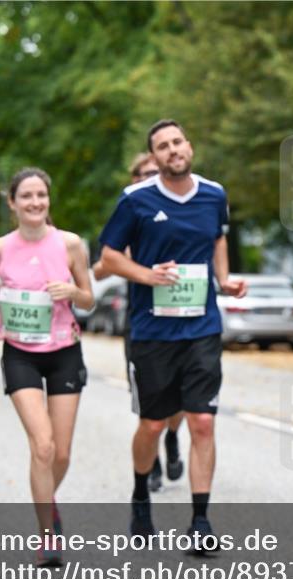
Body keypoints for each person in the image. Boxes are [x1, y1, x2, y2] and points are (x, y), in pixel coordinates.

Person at [98, 119, 246, 547]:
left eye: (177, 142)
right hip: (152, 331)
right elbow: (108, 257)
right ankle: (141, 493)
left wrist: (225, 279)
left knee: (202, 420)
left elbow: (218, 238)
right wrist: (146, 275)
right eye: (162, 146)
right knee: (152, 423)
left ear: (189, 146)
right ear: (155, 157)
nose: (172, 150)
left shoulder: (214, 194)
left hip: (201, 327)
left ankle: (200, 521)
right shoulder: (135, 200)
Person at [0, 167, 93, 567]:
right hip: (20, 352)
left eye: (41, 195)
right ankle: (47, 536)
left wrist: (73, 291)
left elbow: (90, 299)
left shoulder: (71, 244)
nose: (35, 202)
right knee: (41, 446)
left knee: (61, 454)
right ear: (13, 202)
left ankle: (47, 501)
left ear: (49, 199)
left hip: (64, 350)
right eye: (26, 196)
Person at [93, 151, 185, 493]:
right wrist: (126, 260)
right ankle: (155, 462)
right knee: (148, 399)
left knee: (182, 396)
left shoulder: (179, 209)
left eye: (154, 173)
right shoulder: (129, 213)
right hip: (142, 322)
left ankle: (174, 437)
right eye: (143, 174)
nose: (149, 178)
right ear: (134, 180)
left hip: (181, 319)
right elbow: (100, 266)